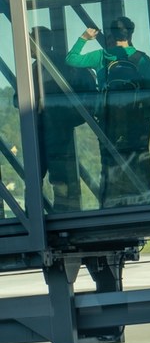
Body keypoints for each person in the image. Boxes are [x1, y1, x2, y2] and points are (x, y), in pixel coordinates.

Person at [65, 18, 150, 208]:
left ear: (111, 36)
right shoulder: (141, 59)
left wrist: (84, 37)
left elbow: (71, 59)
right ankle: (143, 205)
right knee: (140, 161)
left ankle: (110, 205)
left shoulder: (102, 56)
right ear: (131, 34)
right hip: (137, 121)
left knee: (110, 162)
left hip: (108, 119)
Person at [31, 27, 95, 213]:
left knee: (52, 176)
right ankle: (64, 212)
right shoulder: (57, 64)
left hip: (50, 128)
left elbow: (31, 98)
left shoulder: (49, 66)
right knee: (61, 176)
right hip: (55, 127)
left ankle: (49, 213)